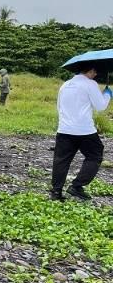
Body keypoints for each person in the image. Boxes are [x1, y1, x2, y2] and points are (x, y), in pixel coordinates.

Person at [49, 65, 111, 201]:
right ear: (90, 71)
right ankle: (77, 186)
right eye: (95, 72)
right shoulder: (90, 84)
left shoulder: (65, 85)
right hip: (84, 130)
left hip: (64, 129)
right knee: (95, 155)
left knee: (61, 160)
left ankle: (56, 192)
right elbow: (100, 106)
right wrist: (107, 94)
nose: (95, 75)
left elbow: (59, 106)